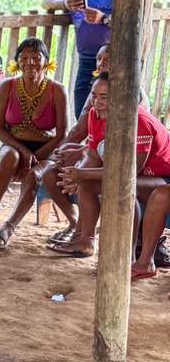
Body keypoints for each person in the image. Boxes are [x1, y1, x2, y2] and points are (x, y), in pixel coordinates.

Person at [48, 72, 170, 259]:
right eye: (94, 96)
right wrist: (76, 176)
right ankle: (86, 241)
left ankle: (126, 257)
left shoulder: (139, 121)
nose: (97, 102)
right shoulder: (95, 115)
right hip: (137, 176)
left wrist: (83, 174)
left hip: (163, 179)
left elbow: (129, 173)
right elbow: (93, 156)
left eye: (104, 97)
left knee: (125, 188)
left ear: (123, 97)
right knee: (87, 183)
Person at [39, 43, 150, 244]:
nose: (101, 64)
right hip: (104, 160)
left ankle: (90, 238)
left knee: (97, 184)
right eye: (99, 59)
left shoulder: (133, 98)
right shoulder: (96, 98)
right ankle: (76, 227)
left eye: (108, 59)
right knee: (51, 172)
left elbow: (127, 162)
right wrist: (62, 156)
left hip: (138, 169)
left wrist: (82, 169)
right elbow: (83, 134)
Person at [0, 38, 68, 248]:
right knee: (9, 156)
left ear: (46, 61)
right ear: (17, 62)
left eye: (36, 58)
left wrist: (34, 159)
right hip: (15, 146)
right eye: (24, 58)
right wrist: (24, 153)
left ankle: (8, 228)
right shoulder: (8, 86)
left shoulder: (57, 90)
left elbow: (62, 135)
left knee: (35, 176)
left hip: (47, 151)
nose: (30, 63)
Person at [43, 0, 116, 117]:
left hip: (116, 60)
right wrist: (64, 3)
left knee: (112, 112)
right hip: (87, 59)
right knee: (82, 111)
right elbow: (46, 0)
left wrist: (103, 18)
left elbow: (132, 22)